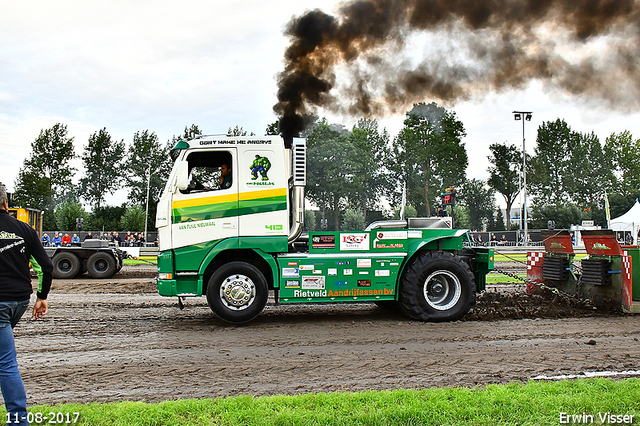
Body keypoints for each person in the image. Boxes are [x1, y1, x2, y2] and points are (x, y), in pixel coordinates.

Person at [0, 182, 52, 426]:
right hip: (20, 300)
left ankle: (19, 420)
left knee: (6, 362)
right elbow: (46, 266)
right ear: (5, 203)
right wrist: (42, 297)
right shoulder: (25, 229)